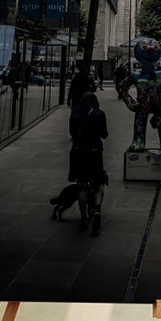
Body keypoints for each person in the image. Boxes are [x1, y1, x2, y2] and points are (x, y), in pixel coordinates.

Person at [68, 92, 108, 234]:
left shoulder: (74, 113)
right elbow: (104, 134)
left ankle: (83, 218)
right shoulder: (99, 114)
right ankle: (96, 210)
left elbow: (72, 133)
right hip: (94, 152)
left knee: (82, 186)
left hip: (78, 152)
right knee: (99, 183)